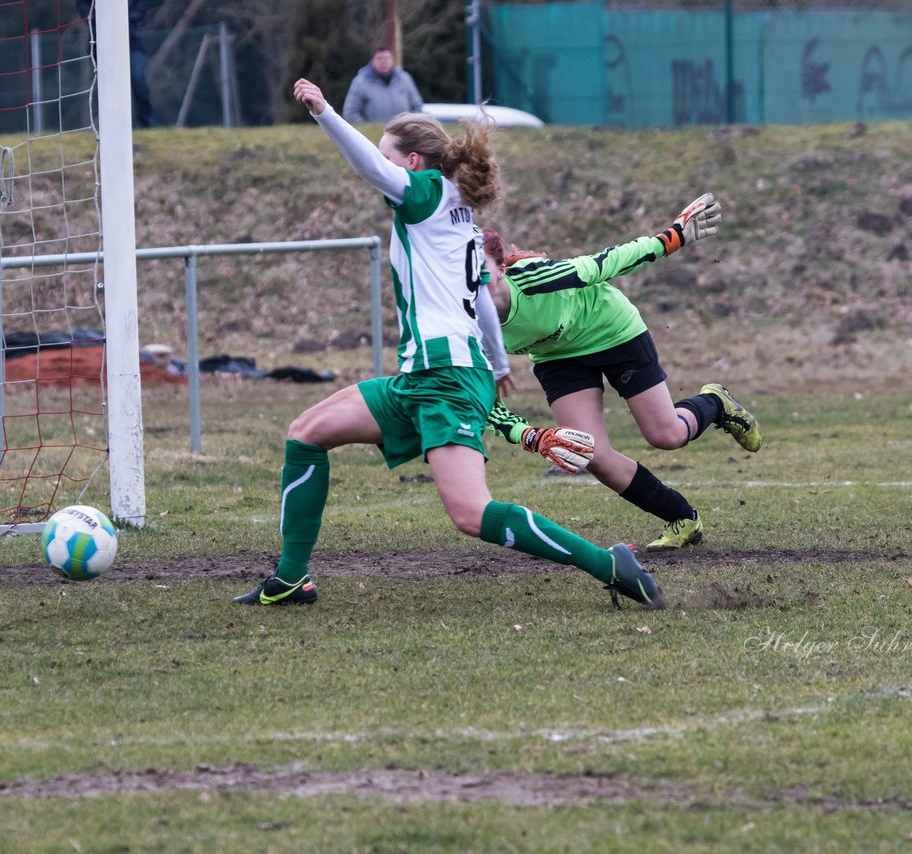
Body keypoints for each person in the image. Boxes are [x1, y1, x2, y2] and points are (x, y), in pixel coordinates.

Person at [232, 78, 664, 610]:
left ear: (412, 163)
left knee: (471, 514)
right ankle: (291, 579)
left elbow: (368, 166)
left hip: (446, 380)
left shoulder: (426, 194)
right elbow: (481, 296)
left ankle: (607, 563)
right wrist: (500, 362)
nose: (383, 167)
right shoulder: (458, 215)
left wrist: (324, 111)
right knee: (305, 434)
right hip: (426, 376)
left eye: (390, 154)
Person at [478, 193, 764, 552]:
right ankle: (683, 518)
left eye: (480, 273)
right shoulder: (461, 321)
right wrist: (530, 436)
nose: (472, 286)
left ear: (501, 268)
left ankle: (716, 403)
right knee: (591, 454)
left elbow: (607, 262)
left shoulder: (537, 280)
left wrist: (674, 236)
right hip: (557, 357)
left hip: (613, 332)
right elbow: (477, 396)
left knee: (667, 435)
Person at [76, 0, 157, 128]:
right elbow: (83, 6)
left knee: (138, 80)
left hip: (132, 40)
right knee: (109, 86)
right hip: (101, 42)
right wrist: (99, 20)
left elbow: (142, 4)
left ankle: (148, 123)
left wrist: (126, 18)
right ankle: (113, 126)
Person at [342, 47, 424, 125]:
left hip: (403, 134)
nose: (384, 62)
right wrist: (368, 129)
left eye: (387, 58)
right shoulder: (360, 82)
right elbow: (350, 112)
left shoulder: (405, 79)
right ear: (372, 61)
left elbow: (417, 105)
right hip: (373, 137)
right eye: (379, 58)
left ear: (392, 60)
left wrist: (410, 126)